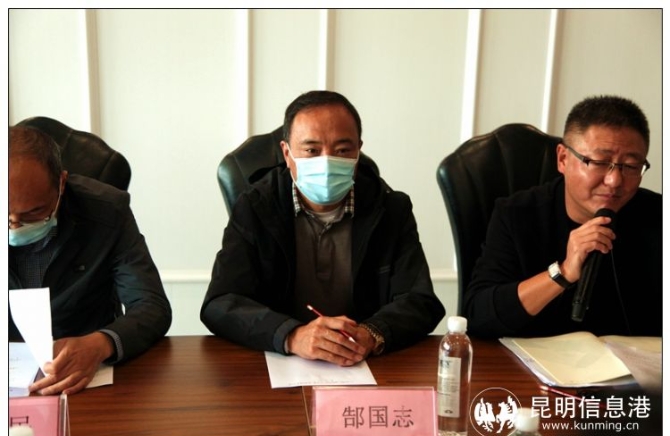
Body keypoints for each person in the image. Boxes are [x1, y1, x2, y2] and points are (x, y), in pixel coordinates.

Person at [201, 90, 445, 365]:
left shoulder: (390, 208)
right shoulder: (255, 207)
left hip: (361, 363)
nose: (327, 162)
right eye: (311, 151)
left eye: (342, 151)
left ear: (358, 151)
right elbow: (220, 303)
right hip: (278, 364)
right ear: (287, 153)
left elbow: (420, 301)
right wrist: (292, 335)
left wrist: (371, 333)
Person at [464, 95, 661, 338]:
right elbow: (478, 317)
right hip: (531, 360)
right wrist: (563, 272)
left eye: (630, 166)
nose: (614, 180)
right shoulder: (516, 214)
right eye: (599, 162)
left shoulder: (659, 216)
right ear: (563, 159)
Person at [8, 125, 172, 395]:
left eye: (34, 212)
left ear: (61, 183)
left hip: (89, 379)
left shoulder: (107, 211)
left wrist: (102, 343)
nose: (15, 225)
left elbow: (151, 306)